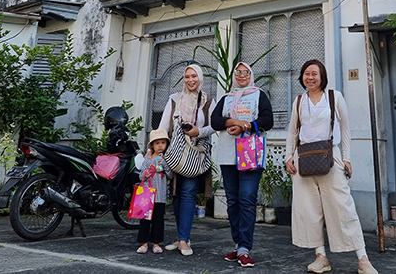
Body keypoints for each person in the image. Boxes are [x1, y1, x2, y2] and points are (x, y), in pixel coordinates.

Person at [285, 59, 379, 274]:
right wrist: (289, 157)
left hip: (330, 155)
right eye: (306, 73)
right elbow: (292, 131)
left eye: (314, 74)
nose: (310, 77)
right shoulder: (299, 100)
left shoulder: (333, 97)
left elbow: (345, 129)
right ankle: (321, 256)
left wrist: (347, 158)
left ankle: (362, 258)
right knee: (309, 209)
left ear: (322, 76)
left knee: (343, 206)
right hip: (303, 158)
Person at [211, 62, 274, 268]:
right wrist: (233, 122)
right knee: (233, 201)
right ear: (233, 76)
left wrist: (246, 126)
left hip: (250, 155)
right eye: (238, 73)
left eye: (245, 73)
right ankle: (238, 244)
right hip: (228, 155)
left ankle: (245, 248)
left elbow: (268, 119)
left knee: (247, 199)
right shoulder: (226, 98)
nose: (241, 76)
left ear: (251, 75)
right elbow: (215, 121)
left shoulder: (259, 95)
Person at [160, 64, 215, 256]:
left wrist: (198, 131)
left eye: (194, 76)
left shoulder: (208, 101)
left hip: (195, 154)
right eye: (187, 77)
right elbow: (164, 126)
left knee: (189, 193)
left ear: (200, 78)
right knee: (176, 195)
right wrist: (158, 150)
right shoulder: (174, 99)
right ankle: (181, 237)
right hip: (175, 153)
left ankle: (184, 239)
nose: (191, 80)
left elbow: (213, 126)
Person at [136, 129, 173, 254]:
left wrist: (165, 166)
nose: (160, 145)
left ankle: (156, 243)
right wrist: (146, 173)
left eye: (163, 142)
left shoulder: (166, 158)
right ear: (152, 145)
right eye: (157, 143)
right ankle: (144, 243)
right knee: (145, 220)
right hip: (147, 195)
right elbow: (140, 175)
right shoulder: (148, 159)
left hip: (160, 195)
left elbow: (170, 175)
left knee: (158, 220)